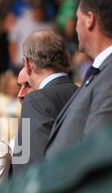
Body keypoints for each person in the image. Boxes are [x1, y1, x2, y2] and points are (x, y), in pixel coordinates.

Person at [45, 0, 112, 159]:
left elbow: (96, 151)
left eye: (77, 18)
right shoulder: (108, 69)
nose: (76, 26)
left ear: (90, 19)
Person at [13, 29, 77, 173]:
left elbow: (34, 169)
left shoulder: (35, 100)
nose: (20, 94)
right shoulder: (83, 92)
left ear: (28, 64)